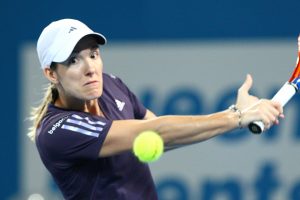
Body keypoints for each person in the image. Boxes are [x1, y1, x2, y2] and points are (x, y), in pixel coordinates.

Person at [28, 18, 284, 200]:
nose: (91, 69)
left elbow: (165, 137)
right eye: (73, 60)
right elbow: (157, 131)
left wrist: (233, 115)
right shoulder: (57, 131)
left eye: (93, 55)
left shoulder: (111, 85)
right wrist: (236, 117)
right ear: (51, 73)